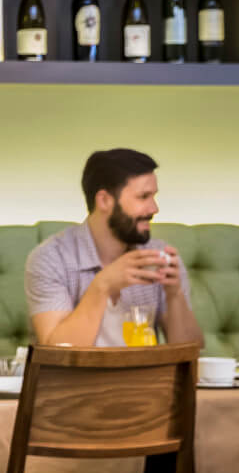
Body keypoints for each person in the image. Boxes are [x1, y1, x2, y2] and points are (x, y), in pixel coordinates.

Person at [25, 148, 204, 349]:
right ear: (104, 200)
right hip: (77, 381)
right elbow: (57, 351)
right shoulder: (51, 258)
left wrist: (174, 294)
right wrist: (102, 286)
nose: (154, 208)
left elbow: (190, 352)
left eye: (154, 196)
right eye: (143, 197)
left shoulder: (157, 256)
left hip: (146, 379)